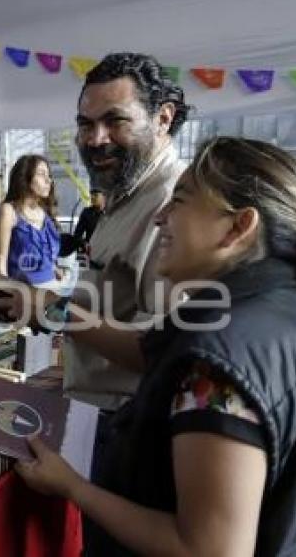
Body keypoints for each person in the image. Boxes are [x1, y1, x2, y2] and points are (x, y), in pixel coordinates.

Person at [17, 137, 296, 555]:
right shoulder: (282, 310)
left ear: (239, 226)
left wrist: (73, 486)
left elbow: (208, 549)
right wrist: (55, 310)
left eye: (178, 202)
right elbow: (147, 351)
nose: (159, 218)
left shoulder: (218, 362)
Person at [63, 52, 189, 411]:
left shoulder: (172, 201)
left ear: (163, 118)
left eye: (115, 121)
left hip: (128, 421)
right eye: (85, 125)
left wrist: (54, 311)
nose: (96, 139)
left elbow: (163, 350)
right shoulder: (126, 192)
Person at [0, 154, 63, 288]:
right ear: (25, 177)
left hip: (52, 289)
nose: (48, 180)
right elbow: (0, 265)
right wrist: (6, 293)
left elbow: (47, 257)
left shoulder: (45, 213)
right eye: (41, 174)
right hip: (23, 293)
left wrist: (55, 269)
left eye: (49, 175)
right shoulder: (9, 210)